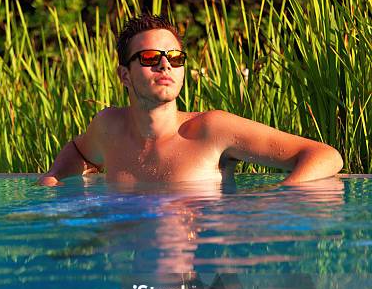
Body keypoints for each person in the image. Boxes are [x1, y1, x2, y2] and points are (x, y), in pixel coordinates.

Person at [37, 13, 343, 186]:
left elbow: (325, 155)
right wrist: (53, 177)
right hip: (134, 269)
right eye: (148, 57)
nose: (165, 65)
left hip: (196, 274)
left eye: (174, 57)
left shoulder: (211, 129)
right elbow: (79, 152)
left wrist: (279, 199)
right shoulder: (109, 127)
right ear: (124, 75)